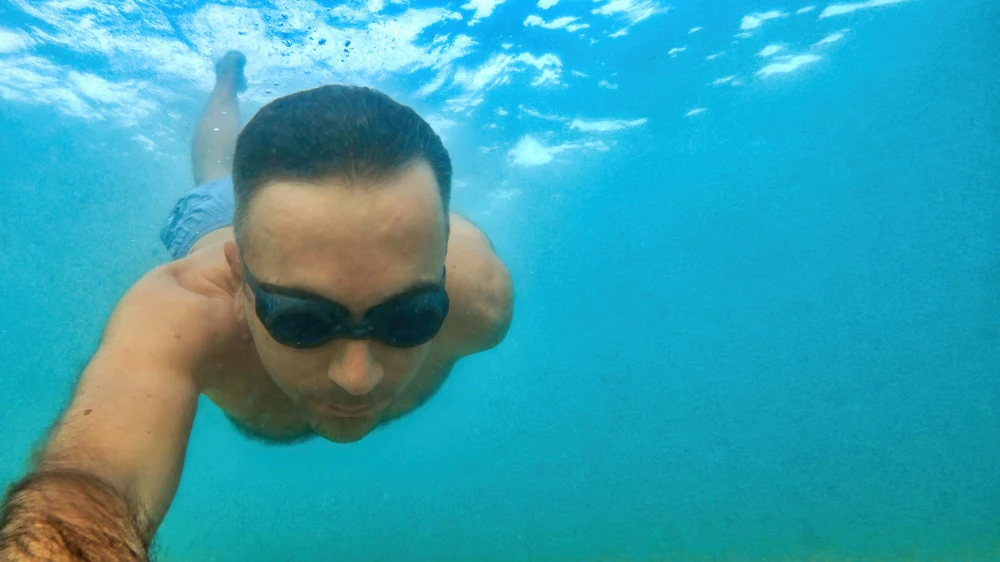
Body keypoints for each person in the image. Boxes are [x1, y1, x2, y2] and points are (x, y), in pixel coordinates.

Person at [0, 51, 513, 561]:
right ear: (239, 280)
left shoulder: (481, 303)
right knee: (214, 175)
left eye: (410, 317)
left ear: (441, 275)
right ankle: (226, 81)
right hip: (215, 222)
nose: (357, 378)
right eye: (301, 321)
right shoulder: (190, 312)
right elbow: (92, 485)